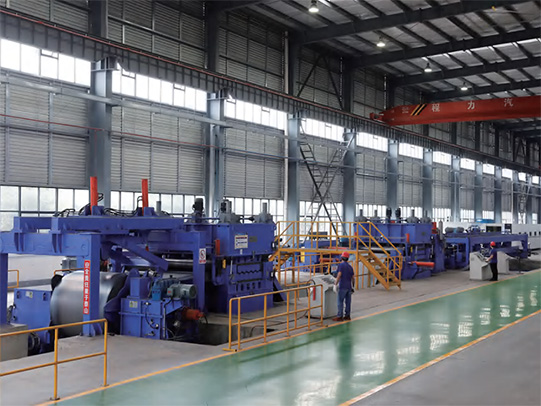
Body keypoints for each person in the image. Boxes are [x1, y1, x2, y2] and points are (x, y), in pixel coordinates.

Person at [333, 252, 355, 321]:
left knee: (340, 301)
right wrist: (353, 287)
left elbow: (339, 275)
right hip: (349, 287)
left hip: (342, 286)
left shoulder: (341, 265)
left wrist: (335, 284)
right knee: (348, 302)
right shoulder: (350, 267)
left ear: (341, 257)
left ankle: (340, 316)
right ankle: (347, 316)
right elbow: (353, 278)